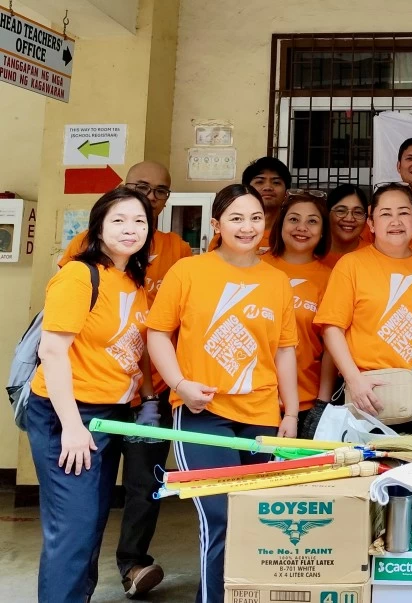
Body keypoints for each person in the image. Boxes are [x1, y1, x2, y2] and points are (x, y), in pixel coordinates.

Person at [146, 184, 300, 603]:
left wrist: (291, 413)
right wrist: (180, 385)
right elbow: (157, 333)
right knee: (219, 515)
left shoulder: (277, 281)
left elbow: (285, 350)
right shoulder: (189, 272)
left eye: (255, 217)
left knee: (252, 518)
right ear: (216, 225)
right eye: (235, 218)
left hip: (262, 413)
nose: (247, 226)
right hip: (202, 411)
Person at [57, 161, 190, 597]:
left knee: (145, 485)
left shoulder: (179, 251)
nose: (151, 197)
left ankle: (133, 565)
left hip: (150, 396)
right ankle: (79, 578)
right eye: (140, 188)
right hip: (94, 394)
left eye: (160, 191)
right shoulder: (86, 253)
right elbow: (65, 325)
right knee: (85, 502)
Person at [27, 187, 154, 603]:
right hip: (68, 414)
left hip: (111, 413)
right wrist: (72, 427)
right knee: (75, 527)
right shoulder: (79, 275)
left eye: (139, 221)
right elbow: (52, 351)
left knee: (91, 523)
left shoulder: (134, 281)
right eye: (118, 220)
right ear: (97, 226)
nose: (130, 229)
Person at [314, 183, 412, 432]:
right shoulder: (352, 265)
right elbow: (332, 328)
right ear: (371, 223)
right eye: (385, 214)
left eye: (403, 212)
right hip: (369, 395)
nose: (396, 221)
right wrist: (353, 379)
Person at [263, 191, 336, 437]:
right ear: (280, 224)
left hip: (306, 399)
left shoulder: (331, 278)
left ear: (323, 230)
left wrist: (322, 404)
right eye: (294, 219)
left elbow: (330, 348)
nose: (302, 228)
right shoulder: (255, 267)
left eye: (312, 221)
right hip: (253, 400)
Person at [207, 157, 294, 252]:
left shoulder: (293, 235)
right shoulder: (225, 238)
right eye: (260, 182)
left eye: (276, 182)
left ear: (286, 193)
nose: (268, 187)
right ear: (246, 190)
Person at [323, 184, 371, 268]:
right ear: (327, 213)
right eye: (341, 211)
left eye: (358, 212)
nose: (349, 218)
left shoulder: (374, 255)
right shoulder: (311, 253)